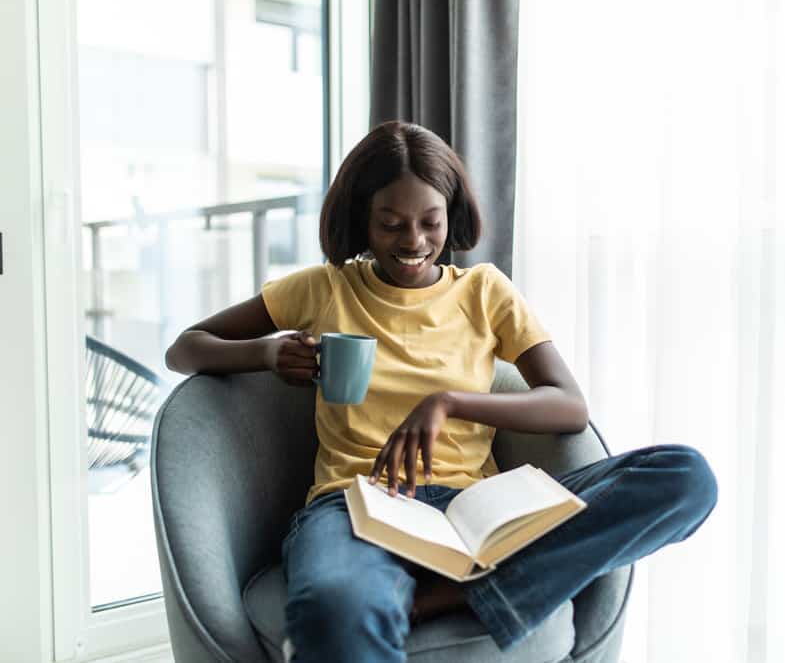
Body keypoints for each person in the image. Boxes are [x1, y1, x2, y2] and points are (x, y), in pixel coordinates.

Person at [165, 120, 718, 662]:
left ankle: (456, 595)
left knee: (684, 477)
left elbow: (569, 407)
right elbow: (185, 348)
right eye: (391, 224)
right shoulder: (323, 287)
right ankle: (478, 594)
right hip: (354, 505)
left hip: (476, 509)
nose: (414, 242)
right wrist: (264, 353)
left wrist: (449, 402)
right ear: (362, 219)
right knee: (332, 611)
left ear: (451, 216)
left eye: (430, 222)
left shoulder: (485, 291)